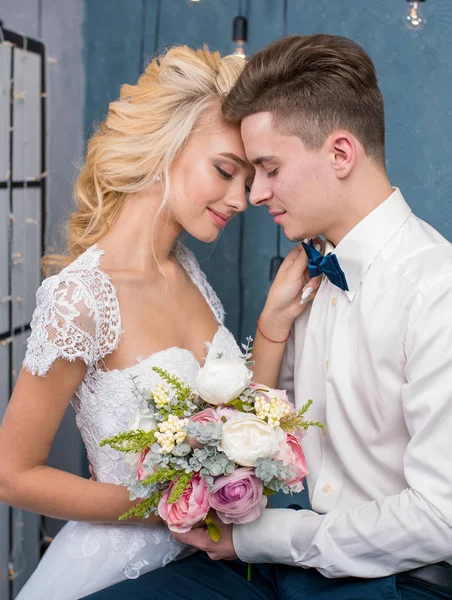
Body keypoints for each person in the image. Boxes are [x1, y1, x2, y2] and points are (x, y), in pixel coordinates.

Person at [85, 34, 452, 600]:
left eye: (269, 168)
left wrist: (263, 537)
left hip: (396, 580)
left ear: (340, 154)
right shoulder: (308, 272)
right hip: (286, 564)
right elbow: (269, 432)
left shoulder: (437, 289)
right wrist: (272, 330)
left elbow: (438, 517)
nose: (255, 194)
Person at [0, 44, 317, 599]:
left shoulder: (187, 273)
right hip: (118, 572)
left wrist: (272, 323)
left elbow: (235, 419)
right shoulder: (82, 297)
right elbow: (13, 475)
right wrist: (170, 506)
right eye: (225, 170)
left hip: (212, 570)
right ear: (165, 145)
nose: (241, 198)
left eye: (247, 179)